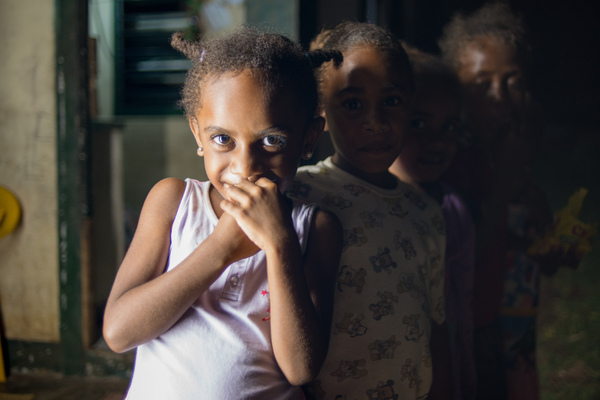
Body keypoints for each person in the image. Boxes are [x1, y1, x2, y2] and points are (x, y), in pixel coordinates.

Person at [102, 27, 343, 400]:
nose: (245, 166)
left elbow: (300, 368)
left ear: (308, 139)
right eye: (222, 139)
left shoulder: (315, 228)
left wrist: (280, 245)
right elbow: (119, 334)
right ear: (198, 134)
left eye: (272, 140)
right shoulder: (173, 203)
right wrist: (220, 249)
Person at [286, 22, 449, 400]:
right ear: (321, 112)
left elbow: (436, 328)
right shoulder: (299, 192)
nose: (375, 123)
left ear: (411, 105)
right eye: (353, 104)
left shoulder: (425, 212)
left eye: (391, 101)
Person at [438, 3, 582, 399]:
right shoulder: (450, 159)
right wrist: (505, 180)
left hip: (516, 337)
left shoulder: (512, 148)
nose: (499, 96)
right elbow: (465, 255)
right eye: (482, 83)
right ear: (457, 90)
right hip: (473, 335)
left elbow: (520, 246)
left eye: (512, 81)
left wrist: (549, 250)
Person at [389, 46, 477, 400]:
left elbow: (463, 312)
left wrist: (464, 374)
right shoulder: (362, 210)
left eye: (450, 126)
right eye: (419, 124)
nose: (437, 141)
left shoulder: (455, 210)